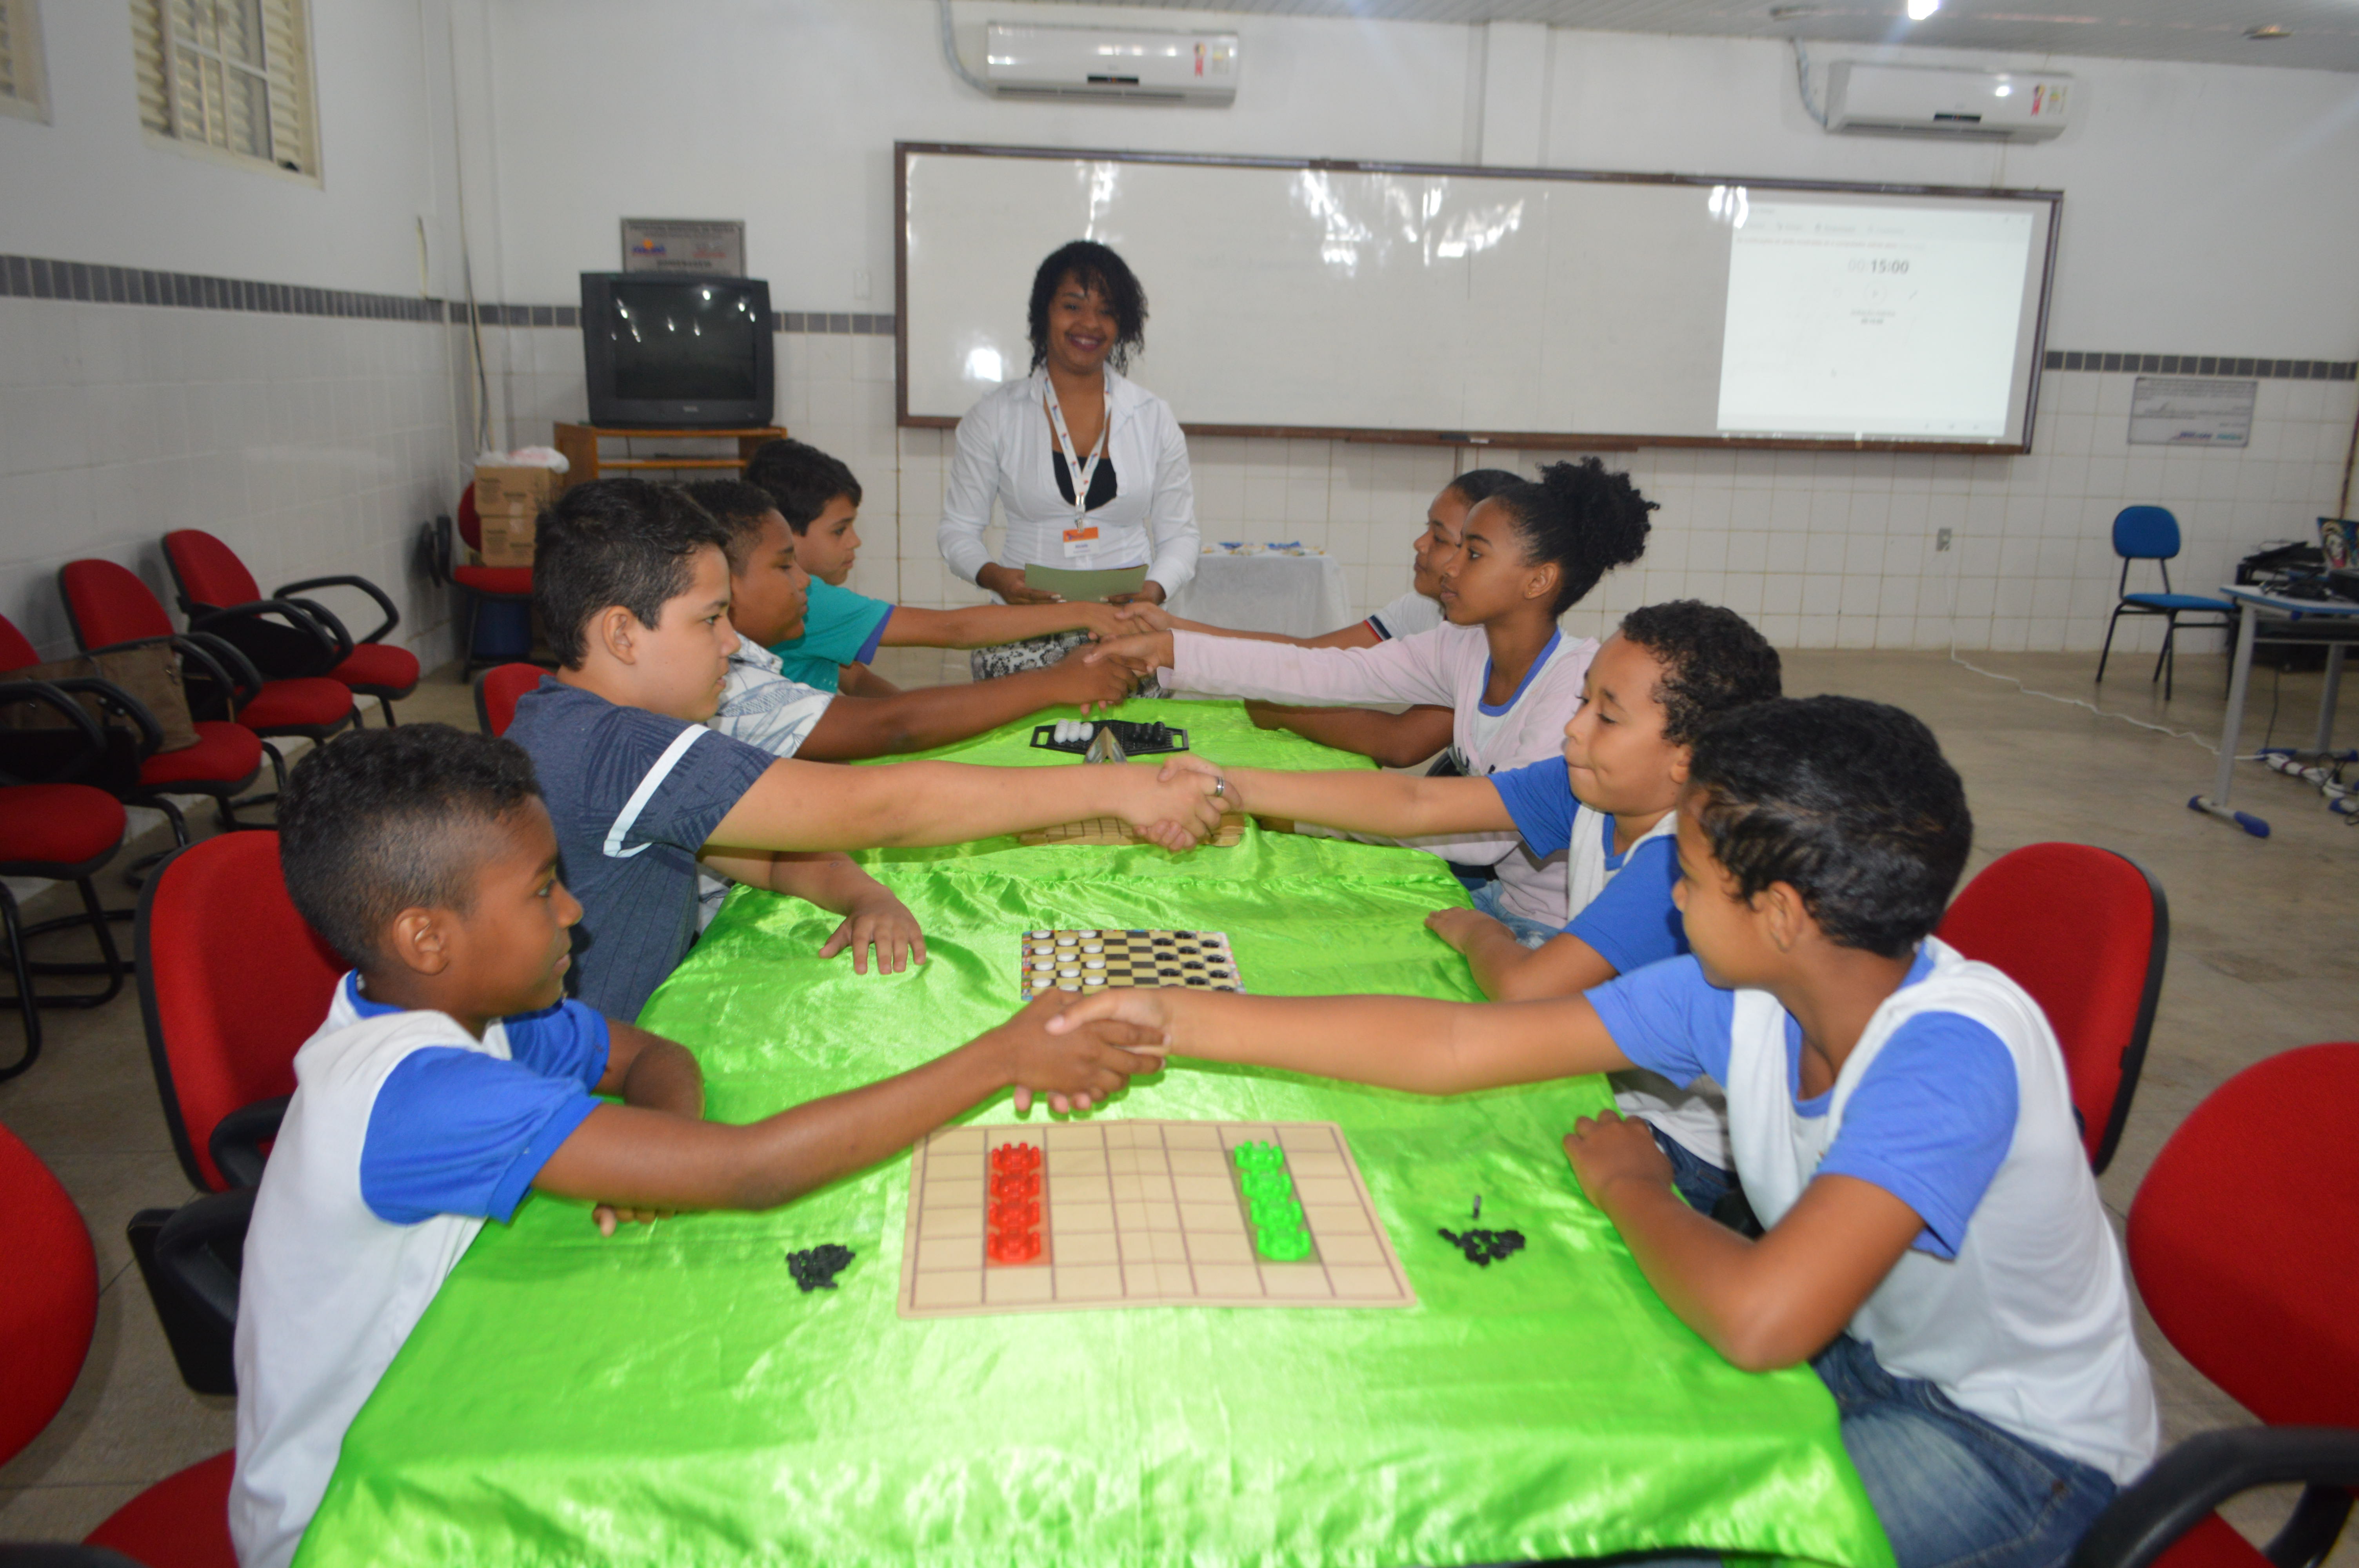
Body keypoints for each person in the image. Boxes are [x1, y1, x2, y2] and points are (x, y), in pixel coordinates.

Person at [1054, 696, 2160, 1568]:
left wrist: (1635, 1186)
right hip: (1863, 1353)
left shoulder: (1950, 1054)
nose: (1671, 902)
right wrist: (1180, 1018)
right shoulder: (1742, 992)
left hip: (2014, 1450)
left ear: (1779, 914)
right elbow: (1453, 1048)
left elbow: (1766, 1318)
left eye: (1689, 877)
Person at [230, 725, 1161, 1568]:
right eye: (541, 889)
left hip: (445, 1399)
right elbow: (751, 1171)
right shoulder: (418, 1092)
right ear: (426, 936)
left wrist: (657, 1148)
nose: (572, 913)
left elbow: (651, 1053)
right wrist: (1002, 1054)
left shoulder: (470, 1016)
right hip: (360, 1516)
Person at [503, 478, 1229, 1021]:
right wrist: (1119, 790)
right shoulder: (617, 746)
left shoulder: (582, 724)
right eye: (711, 620)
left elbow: (749, 850)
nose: (733, 644)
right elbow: (884, 807)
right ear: (623, 634)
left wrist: (862, 891)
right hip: (579, 1072)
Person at [1165, 601, 1781, 1214]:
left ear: (1687, 757)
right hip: (1610, 1071)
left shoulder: (1678, 862)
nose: (1576, 728)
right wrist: (1232, 785)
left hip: (1681, 1145)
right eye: (1582, 701)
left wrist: (1479, 931)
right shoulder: (1592, 788)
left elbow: (1525, 989)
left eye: (1608, 717)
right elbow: (1415, 803)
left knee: (1441, 1178)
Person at [1091, 457, 1654, 932]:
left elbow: (1475, 841)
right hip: (1502, 904)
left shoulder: (1574, 689)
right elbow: (1317, 671)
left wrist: (1287, 809)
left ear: (1538, 581)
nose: (1450, 567)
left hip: (1556, 932)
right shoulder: (1461, 646)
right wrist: (1173, 649)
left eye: (1473, 554)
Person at [685, 479, 1134, 759]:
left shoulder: (748, 665)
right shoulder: (737, 690)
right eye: (785, 565)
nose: (803, 581)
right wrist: (1054, 678)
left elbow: (865, 689)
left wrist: (932, 731)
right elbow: (901, 717)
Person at [1111, 470, 1523, 768]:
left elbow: (1399, 743)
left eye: (1439, 537)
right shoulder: (1422, 610)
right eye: (1426, 528)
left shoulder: (1487, 640)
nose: (1418, 543)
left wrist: (1281, 710)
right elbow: (1311, 654)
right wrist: (1177, 631)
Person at [936, 240, 1199, 679]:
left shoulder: (1153, 417)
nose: (1089, 324)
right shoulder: (995, 415)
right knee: (1022, 748)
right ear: (1045, 313)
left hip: (1124, 633)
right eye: (1073, 306)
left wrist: (1152, 592)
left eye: (1107, 311)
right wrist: (996, 577)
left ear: (1124, 325)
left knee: (1126, 748)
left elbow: (1181, 536)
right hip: (1023, 632)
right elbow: (957, 530)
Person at [741, 441, 1126, 695]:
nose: (855, 541)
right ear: (785, 534)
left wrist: (924, 725)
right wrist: (1081, 611)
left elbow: (854, 677)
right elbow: (953, 629)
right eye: (840, 530)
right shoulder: (812, 600)